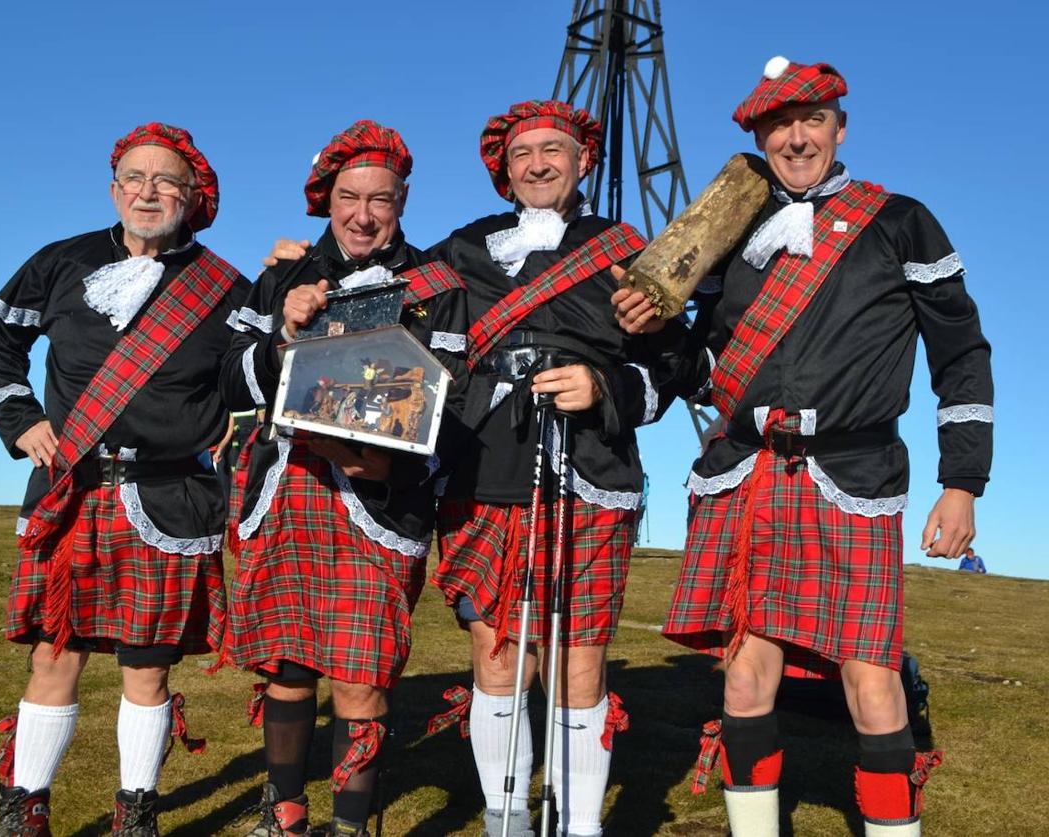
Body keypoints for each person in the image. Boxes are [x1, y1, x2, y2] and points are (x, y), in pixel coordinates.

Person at [614, 57, 993, 836]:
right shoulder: (730, 232)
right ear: (759, 135)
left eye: (812, 119)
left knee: (874, 680)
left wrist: (964, 482)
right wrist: (657, 333)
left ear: (839, 128)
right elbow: (702, 369)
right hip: (746, 470)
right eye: (779, 124)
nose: (796, 137)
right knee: (746, 676)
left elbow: (962, 355)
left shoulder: (899, 220)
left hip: (852, 471)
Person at [0, 123, 248, 836]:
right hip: (73, 491)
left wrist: (236, 425)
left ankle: (137, 813)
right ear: (113, 188)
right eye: (134, 177)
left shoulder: (225, 287)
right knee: (54, 653)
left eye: (166, 181)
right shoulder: (61, 262)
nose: (148, 191)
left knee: (148, 669)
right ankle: (25, 808)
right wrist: (21, 418)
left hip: (170, 496)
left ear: (193, 197)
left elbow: (258, 381)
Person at [428, 100, 683, 837]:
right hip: (482, 465)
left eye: (553, 151)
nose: (537, 164)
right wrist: (305, 267)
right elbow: (388, 302)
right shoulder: (462, 248)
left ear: (583, 162)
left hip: (590, 468)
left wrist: (604, 387)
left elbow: (681, 366)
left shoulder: (626, 249)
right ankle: (506, 818)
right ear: (502, 171)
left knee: (579, 653)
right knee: (496, 649)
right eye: (522, 154)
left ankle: (578, 825)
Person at [220, 119, 468, 837]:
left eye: (380, 199)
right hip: (292, 486)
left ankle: (353, 826)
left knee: (363, 675)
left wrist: (394, 463)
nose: (363, 214)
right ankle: (284, 815)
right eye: (349, 196)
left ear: (402, 202)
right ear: (327, 198)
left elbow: (457, 394)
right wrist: (283, 337)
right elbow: (228, 378)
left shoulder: (437, 284)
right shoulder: (282, 274)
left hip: (382, 505)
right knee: (289, 665)